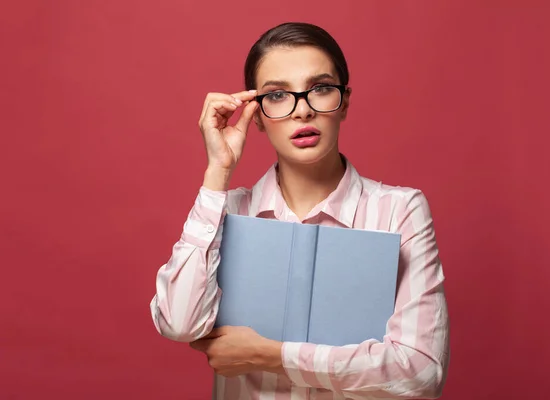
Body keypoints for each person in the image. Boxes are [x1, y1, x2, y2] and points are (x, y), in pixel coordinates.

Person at [150, 22, 449, 399]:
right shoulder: (224, 211)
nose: (302, 110)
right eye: (277, 95)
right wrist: (217, 173)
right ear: (255, 115)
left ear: (344, 102)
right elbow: (179, 323)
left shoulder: (400, 210)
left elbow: (420, 373)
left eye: (321, 89)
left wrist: (274, 356)